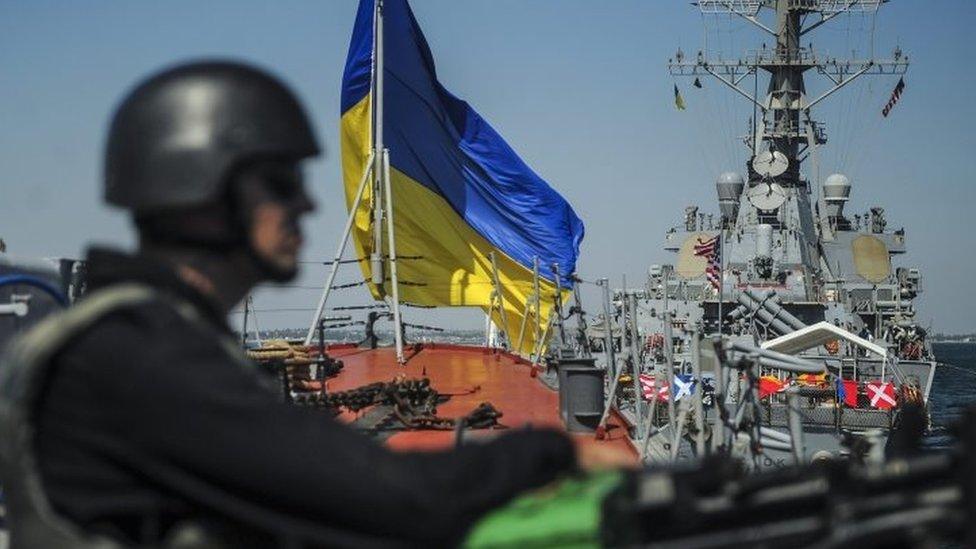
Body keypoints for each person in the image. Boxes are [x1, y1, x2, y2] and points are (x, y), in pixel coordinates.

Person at [0, 61, 631, 548]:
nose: (305, 205)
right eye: (281, 184)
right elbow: (385, 498)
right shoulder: (133, 357)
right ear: (198, 193)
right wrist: (554, 452)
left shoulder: (151, 339)